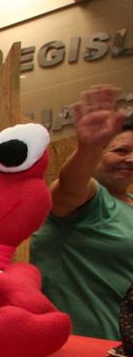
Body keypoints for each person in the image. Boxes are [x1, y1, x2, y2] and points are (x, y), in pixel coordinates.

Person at [31, 86, 133, 340]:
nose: (130, 159)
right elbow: (69, 187)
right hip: (78, 347)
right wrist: (89, 148)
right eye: (120, 151)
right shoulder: (91, 196)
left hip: (121, 350)